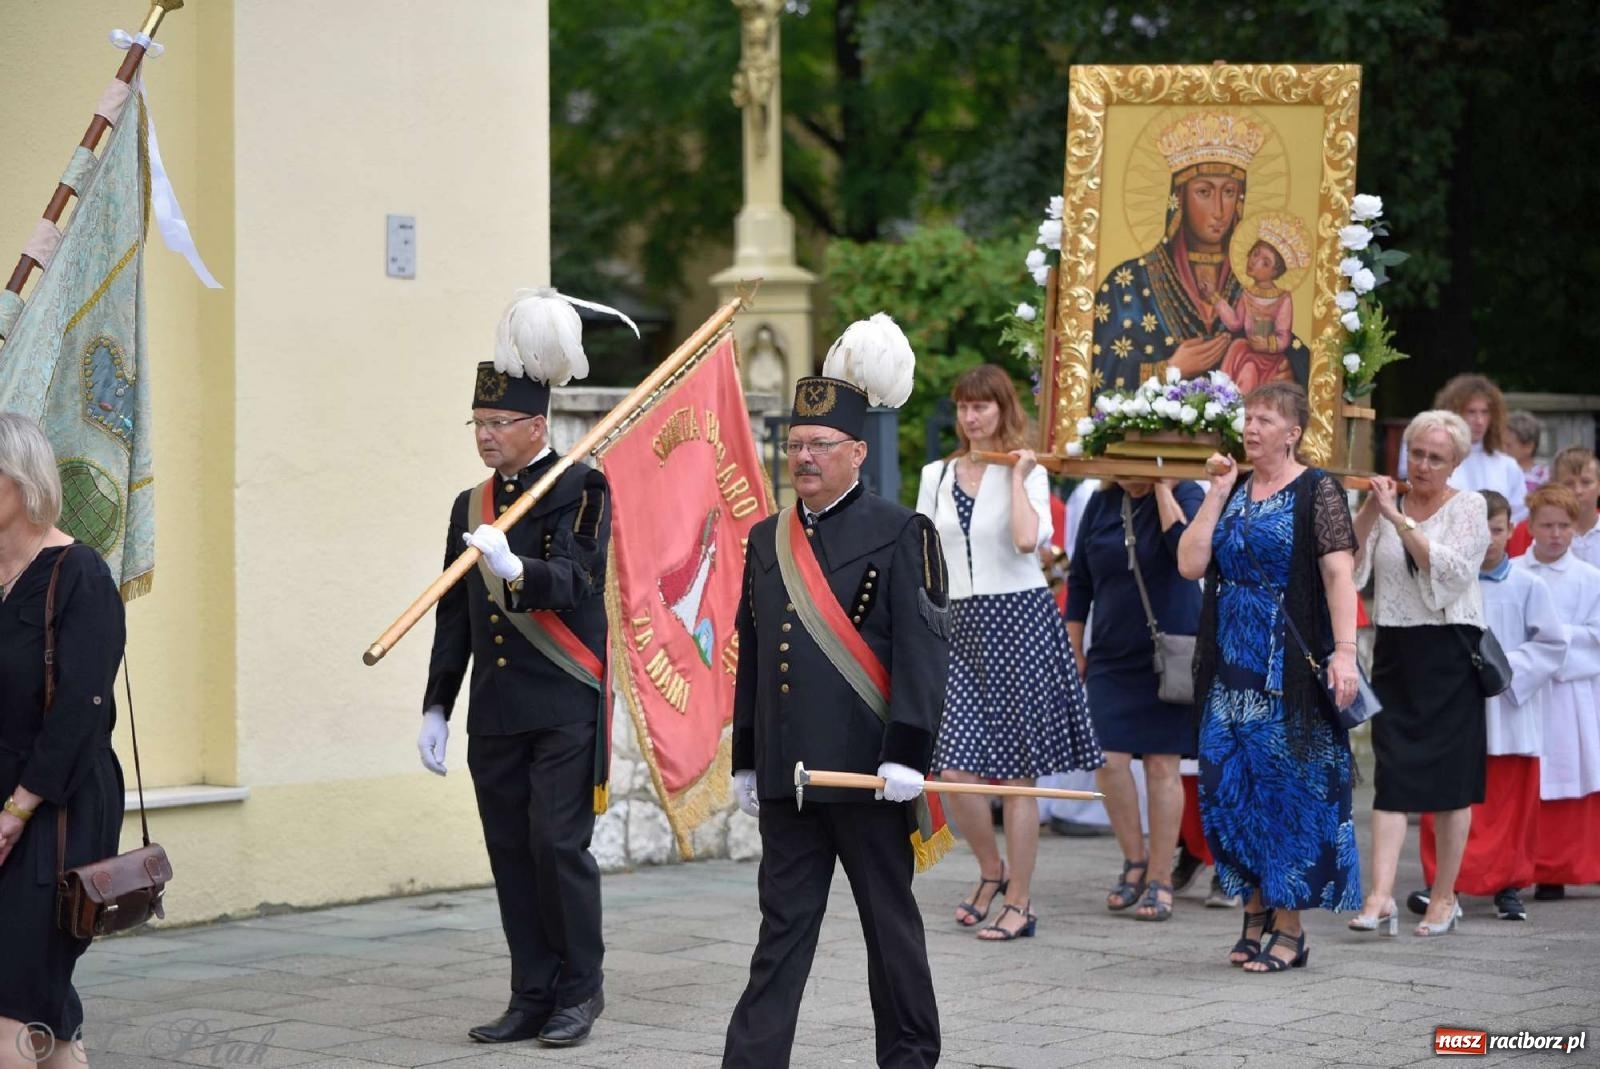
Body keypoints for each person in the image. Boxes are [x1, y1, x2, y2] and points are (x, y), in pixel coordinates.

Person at [725, 314, 949, 1069]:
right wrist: (748, 758)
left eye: (821, 445)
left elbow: (922, 654)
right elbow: (753, 653)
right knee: (780, 930)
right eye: (796, 444)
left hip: (866, 775)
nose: (805, 457)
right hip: (792, 776)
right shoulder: (766, 538)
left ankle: (911, 1055)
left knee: (889, 926)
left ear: (858, 450)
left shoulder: (902, 530)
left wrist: (908, 751)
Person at [419, 292, 614, 1047]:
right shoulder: (468, 502)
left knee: (556, 845)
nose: (486, 436)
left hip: (563, 701)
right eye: (479, 423)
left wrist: (517, 566)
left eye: (498, 424)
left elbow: (576, 580)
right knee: (508, 848)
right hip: (497, 708)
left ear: (538, 424)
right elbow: (452, 613)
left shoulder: (579, 485)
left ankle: (579, 989)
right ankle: (531, 989)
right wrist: (437, 703)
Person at [1178, 381, 1362, 971]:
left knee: (1287, 794)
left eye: (1264, 419)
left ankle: (1290, 927)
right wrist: (1216, 492)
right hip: (1228, 668)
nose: (1251, 428)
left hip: (1288, 673)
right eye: (1247, 418)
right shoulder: (1231, 489)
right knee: (1228, 789)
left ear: (1294, 432)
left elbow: (1338, 576)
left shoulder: (1317, 489)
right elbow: (1190, 563)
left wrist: (1345, 651)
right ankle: (1253, 911)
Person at [917, 365, 1102, 941]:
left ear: (1003, 410)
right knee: (953, 769)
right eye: (964, 407)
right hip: (959, 624)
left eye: (983, 407)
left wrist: (1022, 478)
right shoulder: (937, 475)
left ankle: (1020, 901)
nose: (972, 418)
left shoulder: (1027, 470)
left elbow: (1028, 542)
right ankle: (991, 870)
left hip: (1019, 618)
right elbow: (924, 553)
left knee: (1018, 775)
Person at [0, 413, 126, 1068]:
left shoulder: (80, 574)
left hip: (59, 812)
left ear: (20, 483)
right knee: (50, 1018)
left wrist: (15, 812)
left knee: (12, 1008)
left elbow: (80, 711)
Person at [1351, 410, 1491, 938]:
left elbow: (1452, 573)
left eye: (1436, 457)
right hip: (1396, 648)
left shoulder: (1470, 506)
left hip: (1451, 650)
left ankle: (1444, 895)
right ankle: (1380, 895)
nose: (1424, 464)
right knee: (1392, 775)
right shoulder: (1388, 503)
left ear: (1455, 463)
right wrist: (1371, 510)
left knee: (1451, 784)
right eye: (1417, 453)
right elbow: (1353, 567)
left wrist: (1400, 520)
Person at [1413, 491, 1565, 922]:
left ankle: (1510, 883)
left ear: (1510, 530)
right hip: (1456, 706)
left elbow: (1552, 645)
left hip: (1510, 706)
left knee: (1510, 804)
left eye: (1496, 530)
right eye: (1479, 530)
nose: (1488, 539)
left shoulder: (1527, 585)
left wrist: (1501, 668)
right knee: (1449, 792)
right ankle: (1443, 882)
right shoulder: (1446, 582)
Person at [1092, 111, 1310, 392]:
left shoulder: (1253, 286)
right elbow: (1099, 370)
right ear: (1179, 197)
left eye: (1229, 192)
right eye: (1204, 192)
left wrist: (1289, 372)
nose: (1219, 210)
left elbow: (1296, 354)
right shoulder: (1130, 283)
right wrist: (1168, 370)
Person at [1068, 476, 1203, 921]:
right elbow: (1081, 578)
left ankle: (1161, 877)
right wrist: (1074, 646)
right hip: (1110, 651)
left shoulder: (1187, 494)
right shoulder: (1103, 500)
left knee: (1164, 765)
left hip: (1170, 651)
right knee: (1107, 759)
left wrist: (1164, 487)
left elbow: (1186, 555)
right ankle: (1134, 860)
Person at [1514, 485, 1600, 902]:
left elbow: (1596, 637)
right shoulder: (1514, 571)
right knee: (1530, 778)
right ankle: (1526, 865)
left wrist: (1552, 640)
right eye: (1546, 525)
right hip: (1526, 694)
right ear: (1529, 526)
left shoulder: (1590, 578)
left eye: (1564, 526)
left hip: (1569, 695)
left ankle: (1566, 865)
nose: (1555, 534)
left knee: (1570, 775)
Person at [1402, 374, 1526, 523]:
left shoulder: (1508, 466)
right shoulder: (1428, 456)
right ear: (1454, 413)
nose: (1479, 421)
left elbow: (1518, 516)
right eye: (1471, 412)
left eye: (1485, 412)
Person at [1213, 215, 1310, 392]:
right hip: (1245, 350)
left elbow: (1284, 336)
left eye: (1265, 263)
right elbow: (1235, 323)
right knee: (1238, 351)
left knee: (1249, 369)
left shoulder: (1283, 298)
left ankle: (1241, 413)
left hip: (1269, 358)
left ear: (1275, 272)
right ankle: (1224, 403)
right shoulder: (1247, 293)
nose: (1255, 262)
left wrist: (1267, 344)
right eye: (1255, 254)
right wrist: (1215, 299)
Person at [1507, 447, 1600, 564]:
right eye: (1569, 483)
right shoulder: (1527, 532)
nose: (1578, 490)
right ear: (1554, 485)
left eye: (1586, 482)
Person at [1504, 410, 1547, 498]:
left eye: (1508, 445)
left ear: (1528, 447)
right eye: (1500, 444)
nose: (1503, 449)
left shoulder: (1543, 477)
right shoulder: (1500, 472)